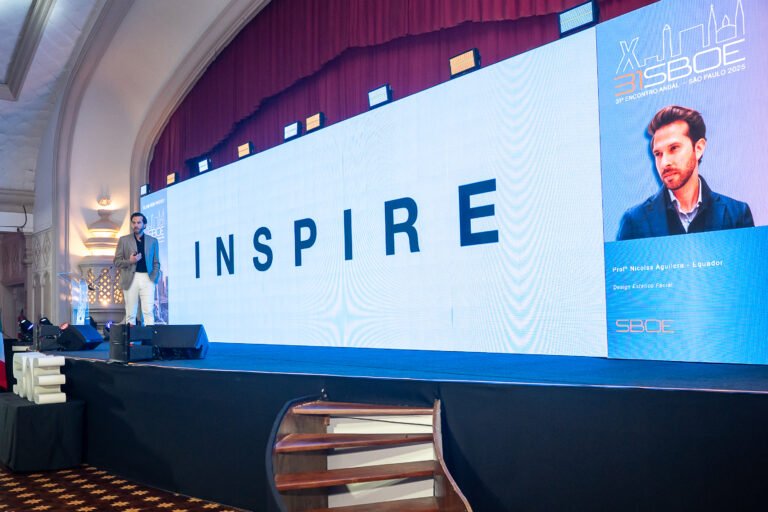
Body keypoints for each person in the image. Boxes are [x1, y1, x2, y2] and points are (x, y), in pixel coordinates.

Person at [617, 105, 754, 241]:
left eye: (674, 148)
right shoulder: (634, 221)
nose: (664, 163)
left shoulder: (738, 215)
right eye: (658, 154)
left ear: (698, 148)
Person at [114, 212, 161, 325]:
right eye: (134, 223)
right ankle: (131, 336)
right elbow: (117, 262)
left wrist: (153, 279)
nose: (136, 225)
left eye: (139, 223)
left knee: (148, 311)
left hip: (148, 278)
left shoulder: (153, 241)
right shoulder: (124, 240)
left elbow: (156, 262)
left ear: (144, 225)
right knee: (130, 313)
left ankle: (149, 335)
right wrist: (130, 261)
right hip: (130, 278)